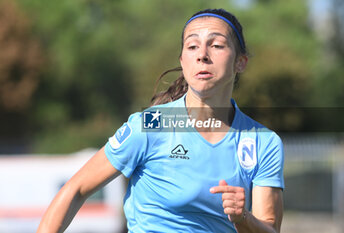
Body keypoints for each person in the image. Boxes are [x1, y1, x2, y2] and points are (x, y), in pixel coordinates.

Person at [37, 8, 284, 233]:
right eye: (192, 46)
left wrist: (243, 218)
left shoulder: (263, 142)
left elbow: (269, 228)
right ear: (182, 61)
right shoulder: (152, 125)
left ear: (240, 62)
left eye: (217, 45)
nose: (203, 56)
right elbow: (75, 189)